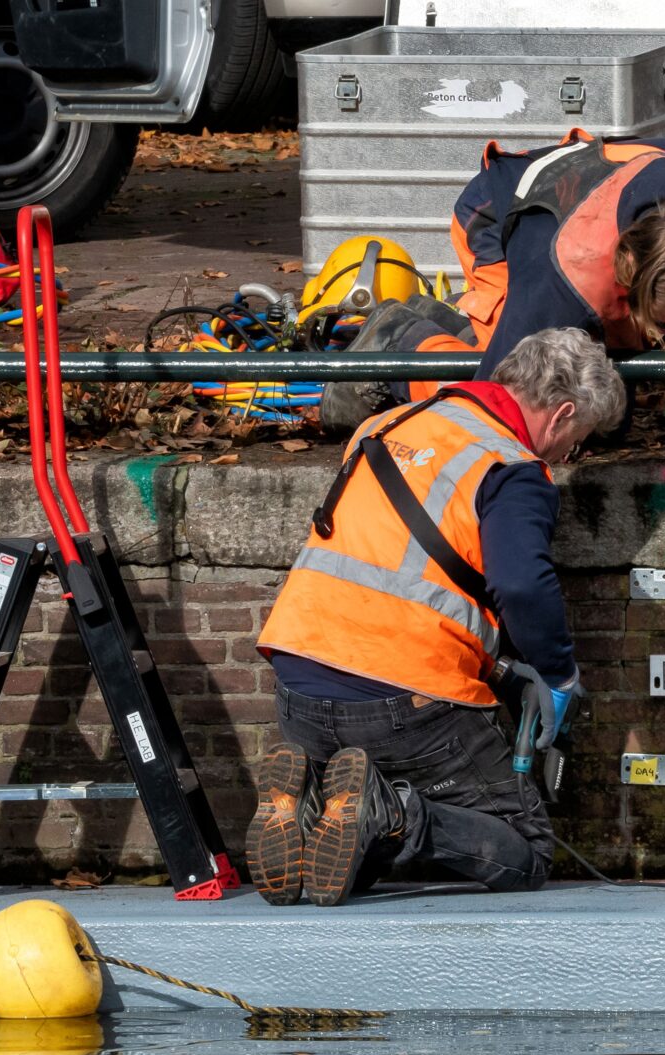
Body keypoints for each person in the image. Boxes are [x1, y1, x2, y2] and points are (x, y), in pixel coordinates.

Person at [249, 327, 625, 906]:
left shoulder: (386, 425)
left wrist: (501, 671)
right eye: (580, 436)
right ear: (562, 413)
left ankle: (310, 815)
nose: (571, 453)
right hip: (403, 704)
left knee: (347, 856)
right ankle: (392, 813)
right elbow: (521, 585)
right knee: (525, 853)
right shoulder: (511, 467)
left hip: (298, 686)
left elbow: (408, 577)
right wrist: (557, 674)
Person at [320, 129, 665, 433]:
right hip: (497, 219)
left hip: (589, 234)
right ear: (627, 272)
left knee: (604, 411)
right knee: (518, 389)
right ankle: (402, 339)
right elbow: (493, 405)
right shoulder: (562, 273)